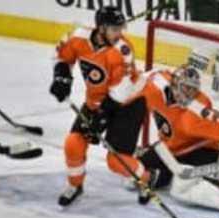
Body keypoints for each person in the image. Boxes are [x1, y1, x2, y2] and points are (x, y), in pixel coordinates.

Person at [123, 64, 219, 218]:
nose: (189, 94)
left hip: (202, 152)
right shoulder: (155, 90)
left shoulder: (199, 104)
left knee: (183, 188)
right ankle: (156, 176)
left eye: (193, 89)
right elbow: (131, 91)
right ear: (174, 84)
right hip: (171, 152)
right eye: (185, 88)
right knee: (132, 176)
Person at [50, 6, 151, 207]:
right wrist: (61, 75)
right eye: (114, 29)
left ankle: (146, 178)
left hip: (130, 103)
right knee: (73, 143)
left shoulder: (122, 50)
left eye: (120, 29)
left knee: (116, 161)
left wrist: (101, 117)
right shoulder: (79, 35)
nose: (118, 33)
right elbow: (62, 55)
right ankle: (75, 185)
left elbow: (120, 92)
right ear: (101, 28)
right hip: (97, 100)